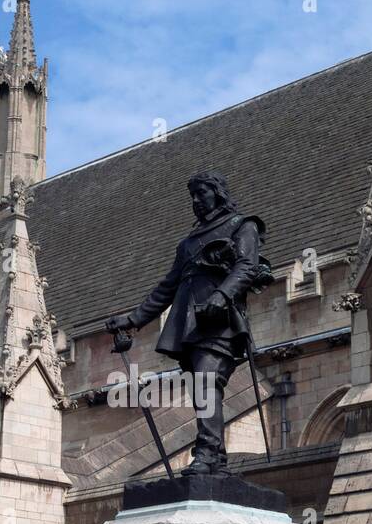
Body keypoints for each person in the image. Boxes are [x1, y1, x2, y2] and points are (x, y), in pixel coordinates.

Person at [106, 171, 270, 474]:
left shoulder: (242, 226)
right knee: (200, 386)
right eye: (192, 195)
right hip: (191, 326)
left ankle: (207, 451)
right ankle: (216, 457)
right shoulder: (188, 244)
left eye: (202, 193)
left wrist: (222, 295)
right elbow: (167, 287)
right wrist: (133, 319)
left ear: (217, 192)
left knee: (207, 380)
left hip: (221, 322)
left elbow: (247, 266)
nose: (196, 200)